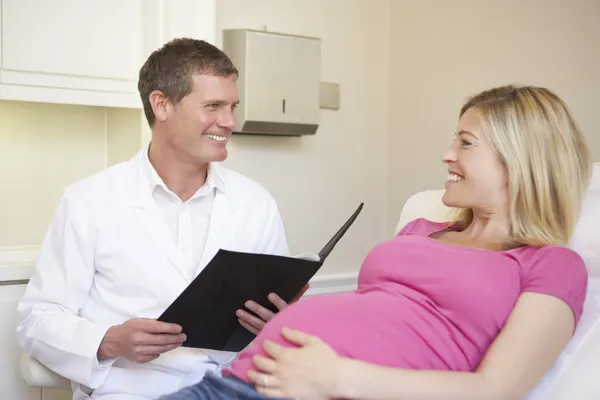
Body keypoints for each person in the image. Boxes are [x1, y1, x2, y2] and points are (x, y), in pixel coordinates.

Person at [156, 84, 593, 400]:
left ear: (519, 161)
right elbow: (383, 314)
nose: (447, 154)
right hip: (231, 380)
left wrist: (334, 376)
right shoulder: (420, 229)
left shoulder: (551, 263)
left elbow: (495, 390)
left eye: (466, 142)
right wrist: (292, 318)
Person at [16, 38, 301, 400]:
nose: (229, 122)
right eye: (213, 106)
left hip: (235, 387)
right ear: (161, 104)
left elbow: (276, 326)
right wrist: (109, 341)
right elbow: (37, 319)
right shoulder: (88, 201)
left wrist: (274, 321)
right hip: (134, 390)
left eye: (232, 106)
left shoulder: (256, 202)